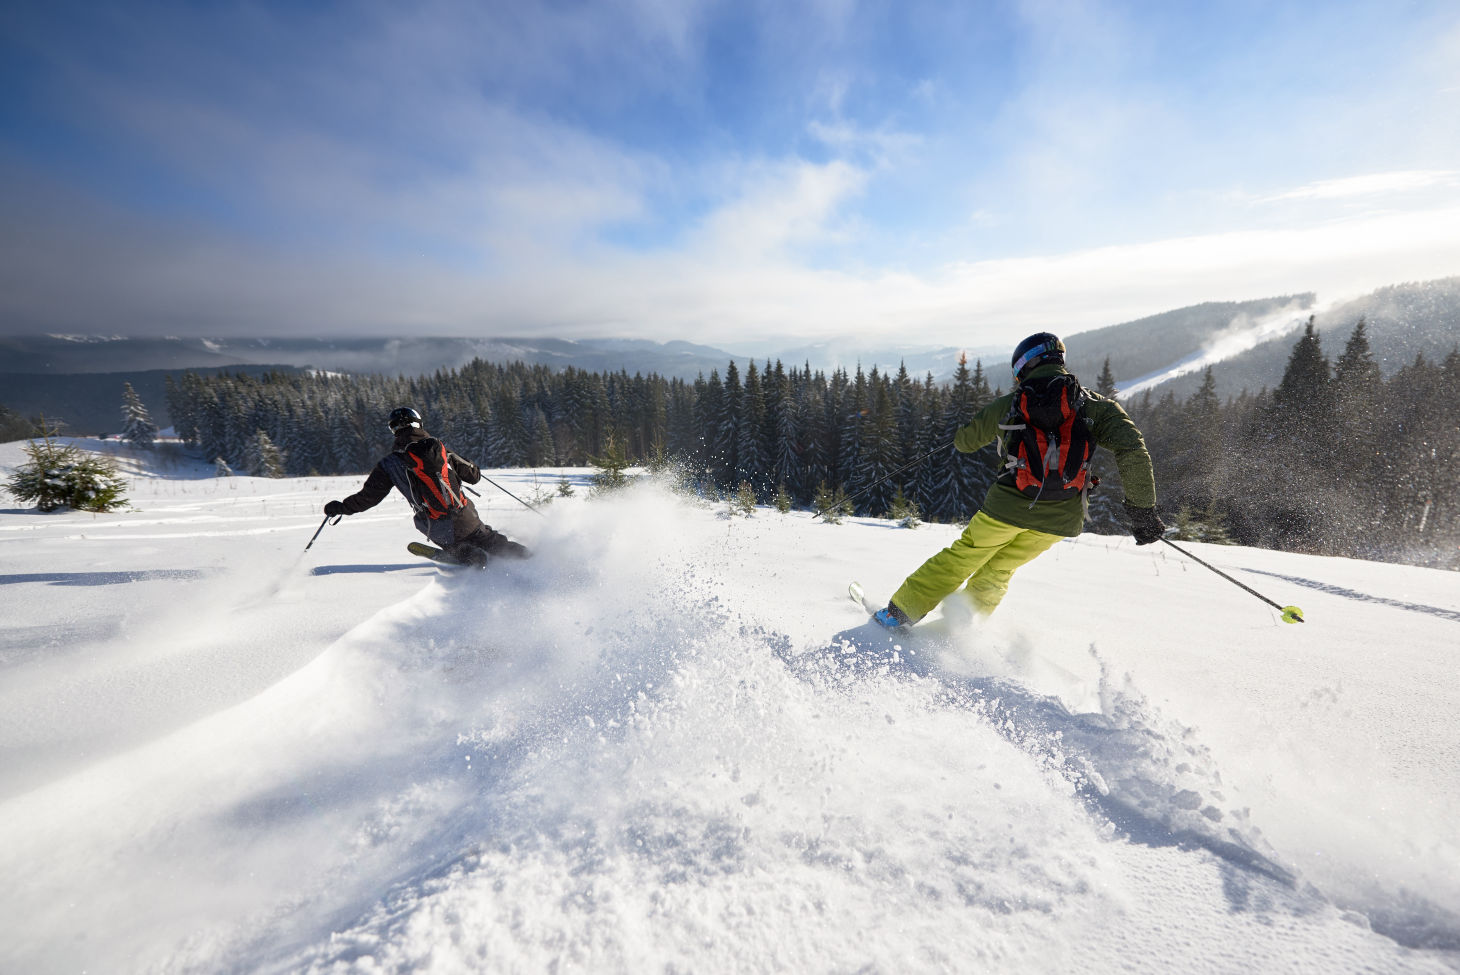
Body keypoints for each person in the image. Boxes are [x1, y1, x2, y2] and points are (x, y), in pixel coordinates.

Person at [873, 333, 1164, 629]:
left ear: (1023, 366)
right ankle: (960, 628)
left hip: (1007, 507)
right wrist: (1143, 511)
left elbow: (965, 442)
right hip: (1060, 518)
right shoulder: (1098, 407)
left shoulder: (1011, 404)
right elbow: (1133, 449)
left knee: (964, 557)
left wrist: (968, 429)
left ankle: (899, 613)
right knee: (1001, 567)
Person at [323, 407, 530, 567]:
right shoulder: (439, 448)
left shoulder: (389, 464)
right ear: (419, 423)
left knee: (457, 545)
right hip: (466, 518)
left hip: (436, 526)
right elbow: (474, 477)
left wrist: (340, 507)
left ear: (394, 430)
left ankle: (465, 555)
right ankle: (533, 560)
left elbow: (368, 498)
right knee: (494, 543)